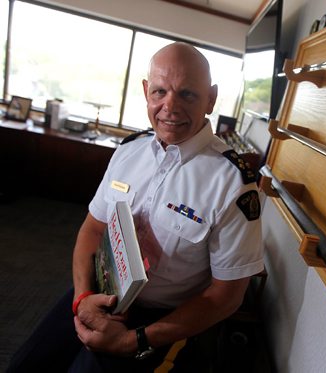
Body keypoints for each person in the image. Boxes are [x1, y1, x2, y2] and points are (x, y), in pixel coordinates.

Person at [7, 42, 264, 373]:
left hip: (160, 317)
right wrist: (83, 297)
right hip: (99, 288)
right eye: (160, 91)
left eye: (187, 94)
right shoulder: (128, 152)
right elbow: (93, 227)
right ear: (146, 91)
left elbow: (225, 297)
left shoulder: (233, 184)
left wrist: (134, 341)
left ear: (211, 99)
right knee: (24, 365)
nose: (169, 106)